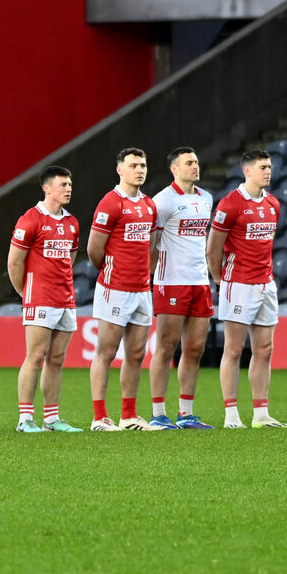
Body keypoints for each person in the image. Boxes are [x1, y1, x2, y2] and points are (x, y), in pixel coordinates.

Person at [206, 149, 287, 429]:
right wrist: (220, 280)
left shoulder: (273, 204)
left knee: (264, 349)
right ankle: (231, 414)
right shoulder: (230, 204)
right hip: (238, 284)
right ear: (248, 171)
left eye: (270, 167)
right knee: (233, 349)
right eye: (263, 167)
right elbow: (213, 249)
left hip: (266, 284)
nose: (269, 171)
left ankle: (261, 414)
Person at [87, 148, 160, 431]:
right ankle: (99, 417)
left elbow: (151, 246)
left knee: (136, 354)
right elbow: (94, 249)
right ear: (120, 170)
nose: (139, 170)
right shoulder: (110, 203)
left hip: (142, 289)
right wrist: (111, 270)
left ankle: (128, 415)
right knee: (106, 351)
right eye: (133, 165)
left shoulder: (149, 205)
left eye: (142, 165)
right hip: (114, 288)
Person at [6, 166, 83, 433]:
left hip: (65, 298)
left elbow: (69, 261)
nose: (68, 188)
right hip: (39, 298)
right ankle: (25, 419)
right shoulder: (30, 219)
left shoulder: (72, 222)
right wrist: (25, 292)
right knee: (35, 356)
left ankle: (51, 418)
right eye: (63, 184)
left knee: (57, 358)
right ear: (47, 188)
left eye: (70, 184)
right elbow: (14, 263)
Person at [147, 147, 216, 430]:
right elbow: (151, 245)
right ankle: (158, 414)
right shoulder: (162, 201)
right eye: (189, 163)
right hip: (171, 282)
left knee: (195, 348)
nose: (195, 166)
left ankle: (186, 413)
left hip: (199, 282)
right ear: (174, 168)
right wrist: (158, 276)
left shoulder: (207, 198)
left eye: (197, 162)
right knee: (166, 346)